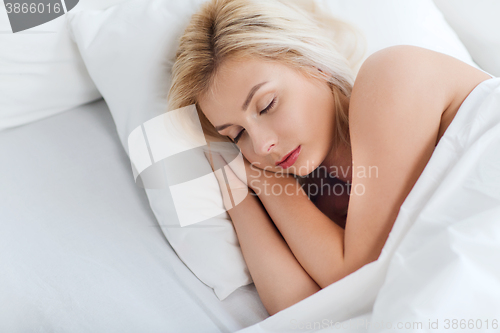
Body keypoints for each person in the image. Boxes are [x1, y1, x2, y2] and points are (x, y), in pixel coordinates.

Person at [167, 0, 493, 316]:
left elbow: (352, 276)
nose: (262, 144)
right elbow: (305, 313)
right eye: (236, 135)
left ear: (312, 62)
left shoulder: (392, 74)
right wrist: (240, 187)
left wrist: (267, 181)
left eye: (266, 105)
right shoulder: (319, 204)